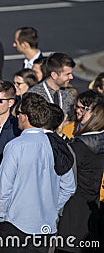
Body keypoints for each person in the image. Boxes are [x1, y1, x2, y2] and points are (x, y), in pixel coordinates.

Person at [0, 93, 75, 252]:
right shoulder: (55, 146)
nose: (16, 118)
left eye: (18, 114)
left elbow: (2, 190)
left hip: (14, 226)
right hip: (44, 229)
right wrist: (50, 207)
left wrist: (3, 217)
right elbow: (69, 187)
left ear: (24, 117)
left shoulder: (16, 146)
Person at [57, 101, 104, 253]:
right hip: (94, 207)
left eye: (87, 110)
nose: (82, 113)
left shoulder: (79, 146)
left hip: (72, 209)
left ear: (96, 118)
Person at [28, 52, 75, 118]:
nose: (71, 77)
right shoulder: (35, 95)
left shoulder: (67, 95)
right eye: (67, 74)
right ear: (54, 75)